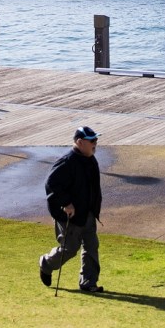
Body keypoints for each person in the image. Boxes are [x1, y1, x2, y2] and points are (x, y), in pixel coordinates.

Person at [39, 125, 104, 294]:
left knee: (91, 246)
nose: (95, 143)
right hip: (70, 216)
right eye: (92, 141)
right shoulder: (67, 162)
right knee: (69, 249)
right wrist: (66, 203)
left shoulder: (90, 159)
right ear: (80, 142)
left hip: (88, 213)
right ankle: (47, 263)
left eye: (96, 139)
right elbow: (51, 184)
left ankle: (89, 282)